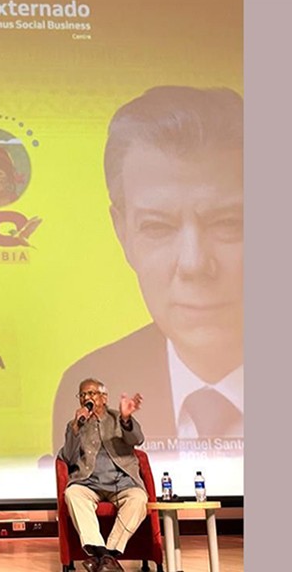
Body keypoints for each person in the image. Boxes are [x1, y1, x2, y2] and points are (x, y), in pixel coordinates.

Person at [51, 86, 243, 451]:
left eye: (228, 223)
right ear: (123, 233)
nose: (194, 263)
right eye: (158, 226)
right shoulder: (90, 385)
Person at [59, 379, 148, 572]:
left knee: (139, 498)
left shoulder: (119, 418)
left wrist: (126, 419)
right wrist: (75, 429)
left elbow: (138, 439)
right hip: (88, 482)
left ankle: (105, 555)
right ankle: (104, 555)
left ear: (104, 397)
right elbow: (67, 457)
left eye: (91, 393)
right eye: (82, 395)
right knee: (72, 494)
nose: (86, 398)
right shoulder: (75, 424)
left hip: (121, 482)